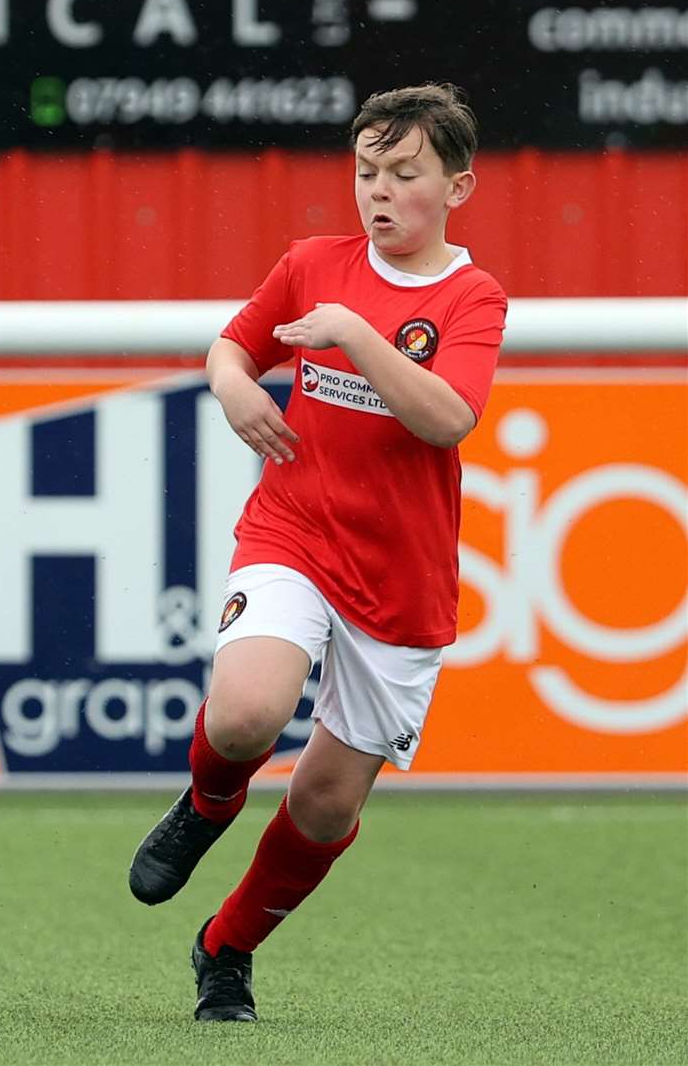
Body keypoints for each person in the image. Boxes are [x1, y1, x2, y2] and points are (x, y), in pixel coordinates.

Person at [126, 84, 509, 1022]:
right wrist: (232, 390)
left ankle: (225, 951)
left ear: (456, 187)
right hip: (291, 533)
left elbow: (447, 417)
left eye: (403, 174)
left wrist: (354, 336)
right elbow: (231, 347)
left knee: (327, 806)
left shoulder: (472, 296)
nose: (377, 191)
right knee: (243, 717)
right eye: (365, 171)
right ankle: (207, 806)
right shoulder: (311, 263)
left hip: (400, 580)